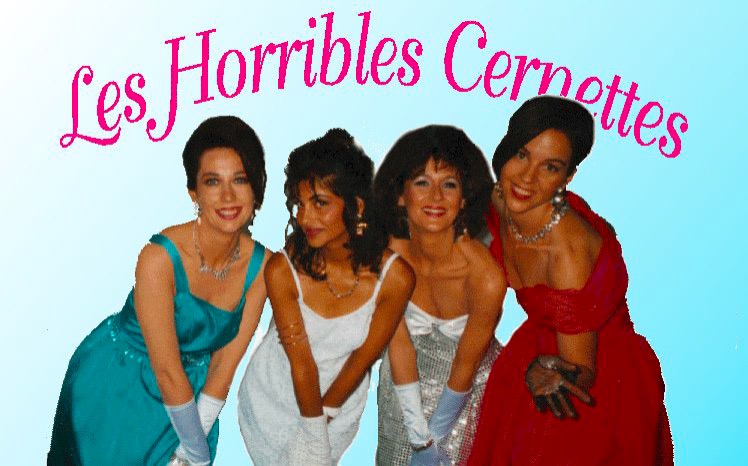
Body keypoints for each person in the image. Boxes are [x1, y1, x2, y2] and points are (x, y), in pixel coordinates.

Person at [48, 116, 271, 466]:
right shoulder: (158, 258)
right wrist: (197, 455)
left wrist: (188, 453)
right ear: (194, 192)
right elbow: (166, 369)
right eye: (212, 181)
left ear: (257, 187)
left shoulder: (263, 268)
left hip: (192, 404)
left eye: (239, 180)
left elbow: (222, 369)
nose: (228, 196)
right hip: (119, 386)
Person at [466, 96, 674, 465]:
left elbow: (583, 371)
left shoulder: (567, 254)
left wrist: (540, 372)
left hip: (586, 375)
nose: (527, 177)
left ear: (567, 177)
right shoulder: (501, 198)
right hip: (540, 340)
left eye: (550, 167)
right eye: (522, 155)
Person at [237, 129, 415, 466]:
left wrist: (320, 435)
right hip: (272, 401)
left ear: (356, 205)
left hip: (339, 405)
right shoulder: (281, 270)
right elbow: (301, 363)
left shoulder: (396, 278)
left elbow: (362, 360)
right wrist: (313, 437)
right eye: (300, 204)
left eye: (320, 203)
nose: (305, 218)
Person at [373, 125, 506, 466]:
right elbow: (397, 345)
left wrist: (435, 441)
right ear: (400, 195)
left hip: (467, 398)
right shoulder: (387, 258)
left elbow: (465, 366)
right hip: (402, 389)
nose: (435, 196)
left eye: (449, 184)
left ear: (464, 198)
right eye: (422, 182)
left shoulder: (485, 277)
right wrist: (419, 438)